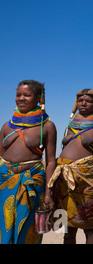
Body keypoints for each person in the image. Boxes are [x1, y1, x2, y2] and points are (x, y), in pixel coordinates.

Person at [0, 80, 57, 244]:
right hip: (5, 182)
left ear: (38, 98)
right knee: (4, 227)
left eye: (27, 95)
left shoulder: (47, 127)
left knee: (28, 227)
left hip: (32, 181)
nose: (21, 98)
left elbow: (51, 161)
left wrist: (48, 193)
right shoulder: (6, 127)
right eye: (18, 95)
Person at [48, 89, 93, 244]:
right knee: (66, 228)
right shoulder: (69, 126)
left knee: (90, 228)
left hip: (87, 181)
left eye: (88, 101)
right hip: (64, 181)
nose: (84, 103)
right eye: (80, 100)